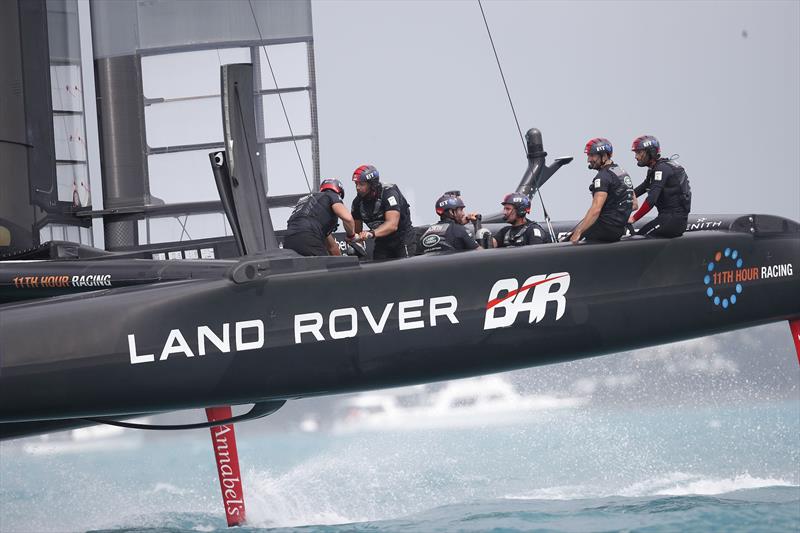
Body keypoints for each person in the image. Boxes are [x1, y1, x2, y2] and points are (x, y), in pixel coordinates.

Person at [569, 138, 634, 243]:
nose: (588, 160)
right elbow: (634, 204)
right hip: (619, 230)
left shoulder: (602, 177)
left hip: (605, 229)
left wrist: (578, 231)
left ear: (604, 155)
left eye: (592, 155)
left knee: (568, 241)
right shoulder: (621, 172)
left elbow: (596, 210)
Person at [628, 135, 692, 237]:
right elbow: (643, 187)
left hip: (671, 220)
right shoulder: (655, 168)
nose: (636, 156)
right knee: (639, 236)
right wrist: (622, 198)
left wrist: (633, 218)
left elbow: (651, 200)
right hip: (669, 219)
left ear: (651, 152)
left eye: (639, 152)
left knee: (639, 238)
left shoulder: (661, 169)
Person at [350, 164, 415, 259]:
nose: (358, 188)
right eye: (356, 184)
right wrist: (357, 242)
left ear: (372, 184)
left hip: (402, 238)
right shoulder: (357, 203)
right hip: (382, 241)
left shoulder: (389, 193)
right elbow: (357, 231)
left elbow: (392, 225)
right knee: (378, 270)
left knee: (406, 269)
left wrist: (370, 233)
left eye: (361, 184)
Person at [283, 179, 355, 256]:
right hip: (309, 236)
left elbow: (332, 247)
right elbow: (348, 218)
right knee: (324, 266)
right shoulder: (331, 195)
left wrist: (342, 262)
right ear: (339, 193)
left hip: (288, 239)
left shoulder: (312, 205)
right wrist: (351, 236)